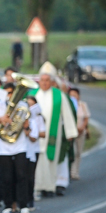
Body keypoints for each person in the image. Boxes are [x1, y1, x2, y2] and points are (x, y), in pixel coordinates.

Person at [32, 63, 78, 197]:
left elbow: (67, 114)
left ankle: (49, 186)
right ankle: (37, 186)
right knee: (37, 162)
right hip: (36, 135)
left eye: (47, 81)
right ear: (39, 81)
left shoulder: (58, 95)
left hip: (52, 134)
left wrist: (70, 132)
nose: (45, 83)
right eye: (42, 80)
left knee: (50, 160)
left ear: (52, 82)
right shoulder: (33, 94)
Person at [0, 89, 32, 213]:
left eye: (11, 92)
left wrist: (25, 125)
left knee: (22, 175)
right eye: (7, 93)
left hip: (20, 145)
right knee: (6, 177)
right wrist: (0, 120)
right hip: (3, 146)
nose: (9, 95)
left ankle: (24, 206)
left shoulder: (23, 106)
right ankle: (8, 206)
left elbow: (28, 128)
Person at [69, 87, 89, 180]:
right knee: (72, 151)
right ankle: (70, 171)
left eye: (75, 95)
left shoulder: (82, 105)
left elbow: (86, 117)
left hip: (81, 132)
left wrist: (83, 127)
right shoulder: (68, 105)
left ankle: (75, 172)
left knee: (78, 153)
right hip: (72, 132)